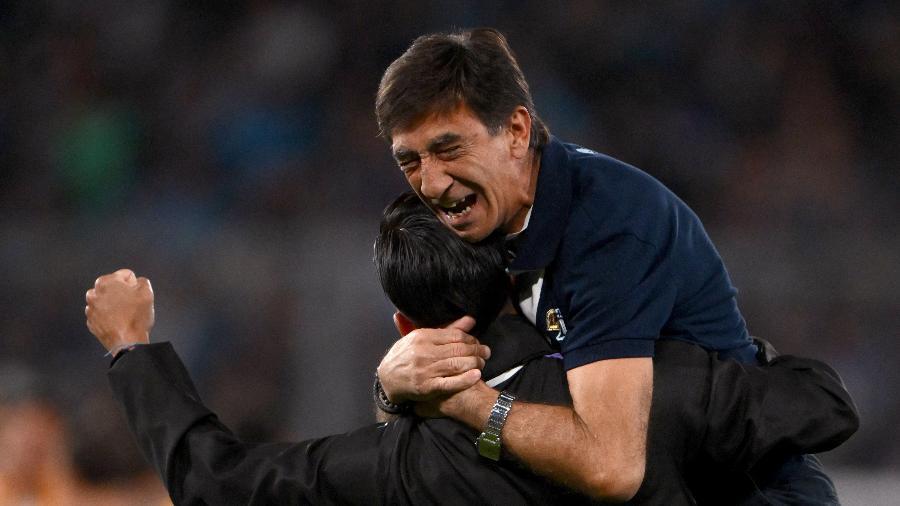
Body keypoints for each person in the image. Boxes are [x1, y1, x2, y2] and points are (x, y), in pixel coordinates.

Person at [84, 193, 856, 504]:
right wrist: (730, 354)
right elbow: (823, 405)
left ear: (403, 328)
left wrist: (130, 347)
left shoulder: (421, 461)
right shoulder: (666, 381)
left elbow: (219, 484)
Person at [374, 28, 849, 503]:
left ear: (516, 132)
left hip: (744, 491)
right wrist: (392, 388)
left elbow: (610, 467)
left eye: (448, 148)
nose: (430, 183)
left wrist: (472, 405)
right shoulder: (474, 228)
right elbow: (428, 440)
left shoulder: (609, 225)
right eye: (409, 160)